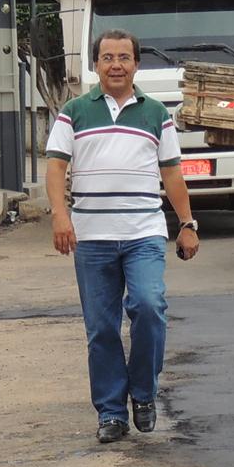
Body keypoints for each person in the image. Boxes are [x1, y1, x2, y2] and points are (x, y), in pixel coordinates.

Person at [46, 28, 199, 444]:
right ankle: (111, 412)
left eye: (124, 57)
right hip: (92, 238)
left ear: (136, 64)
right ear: (96, 64)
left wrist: (187, 223)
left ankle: (144, 394)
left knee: (149, 307)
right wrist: (61, 216)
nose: (116, 64)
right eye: (108, 57)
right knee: (101, 328)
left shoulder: (155, 114)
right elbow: (57, 168)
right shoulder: (73, 112)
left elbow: (171, 173)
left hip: (143, 233)